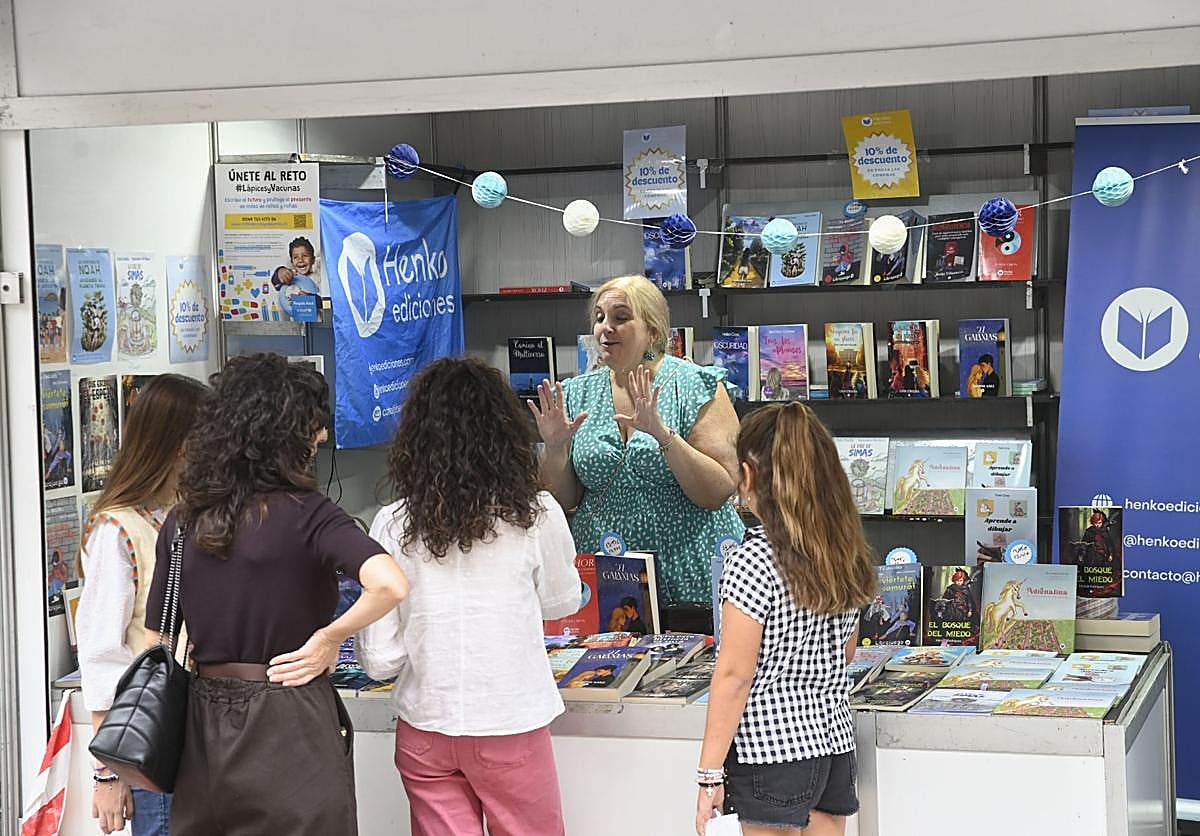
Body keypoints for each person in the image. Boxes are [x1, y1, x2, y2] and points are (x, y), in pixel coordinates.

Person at [145, 353, 409, 836]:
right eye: (313, 425)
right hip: (290, 714)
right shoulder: (310, 513)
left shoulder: (183, 520)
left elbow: (155, 639)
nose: (322, 436)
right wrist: (331, 638)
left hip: (203, 724)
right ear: (283, 431)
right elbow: (390, 584)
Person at [356, 357, 581, 836]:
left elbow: (379, 659)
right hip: (509, 722)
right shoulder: (537, 513)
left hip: (425, 728)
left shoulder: (392, 522)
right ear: (505, 432)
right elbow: (562, 602)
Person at [695, 402, 877, 836]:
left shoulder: (751, 560)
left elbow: (735, 676)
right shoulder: (841, 552)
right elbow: (846, 651)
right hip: (833, 744)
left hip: (767, 753)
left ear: (749, 476)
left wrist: (708, 776)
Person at [531, 274, 744, 608]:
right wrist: (556, 448)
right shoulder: (576, 392)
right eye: (599, 318)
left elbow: (718, 490)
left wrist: (663, 435)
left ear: (653, 331)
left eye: (621, 318)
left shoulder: (693, 385)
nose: (605, 328)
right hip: (606, 574)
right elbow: (565, 498)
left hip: (690, 570)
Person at [76, 373, 207, 835]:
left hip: (200, 736)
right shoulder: (119, 529)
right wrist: (108, 774)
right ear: (176, 443)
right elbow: (100, 658)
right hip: (154, 739)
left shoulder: (187, 512)